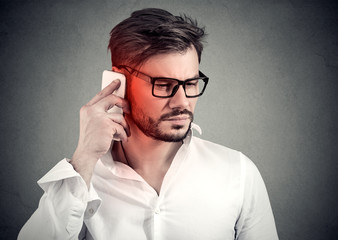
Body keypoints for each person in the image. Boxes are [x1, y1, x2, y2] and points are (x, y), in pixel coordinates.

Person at [18, 8, 279, 240]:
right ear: (118, 82)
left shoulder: (238, 174)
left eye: (190, 84)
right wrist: (83, 160)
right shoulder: (83, 182)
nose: (182, 102)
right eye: (164, 85)